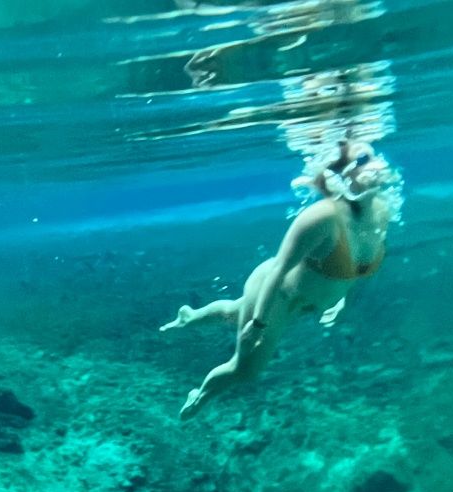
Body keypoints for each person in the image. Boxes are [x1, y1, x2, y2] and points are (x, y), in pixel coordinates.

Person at [163, 140, 398, 419]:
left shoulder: (382, 210)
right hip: (275, 295)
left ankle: (190, 317)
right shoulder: (321, 218)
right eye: (362, 159)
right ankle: (200, 395)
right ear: (341, 173)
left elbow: (357, 264)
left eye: (373, 156)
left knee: (234, 311)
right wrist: (258, 323)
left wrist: (341, 297)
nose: (377, 165)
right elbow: (279, 269)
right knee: (246, 370)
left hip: (303, 300)